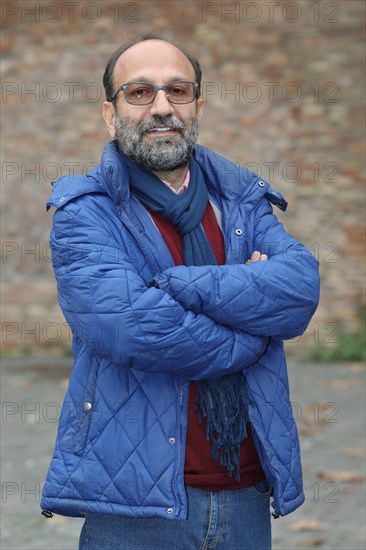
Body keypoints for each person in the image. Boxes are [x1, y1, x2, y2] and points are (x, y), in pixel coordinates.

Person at [41, 34, 320, 550]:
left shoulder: (242, 201)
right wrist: (251, 329)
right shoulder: (86, 212)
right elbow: (134, 329)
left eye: (177, 90)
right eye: (140, 92)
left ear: (197, 106)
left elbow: (299, 290)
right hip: (136, 507)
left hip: (247, 493)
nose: (162, 106)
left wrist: (177, 285)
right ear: (110, 113)